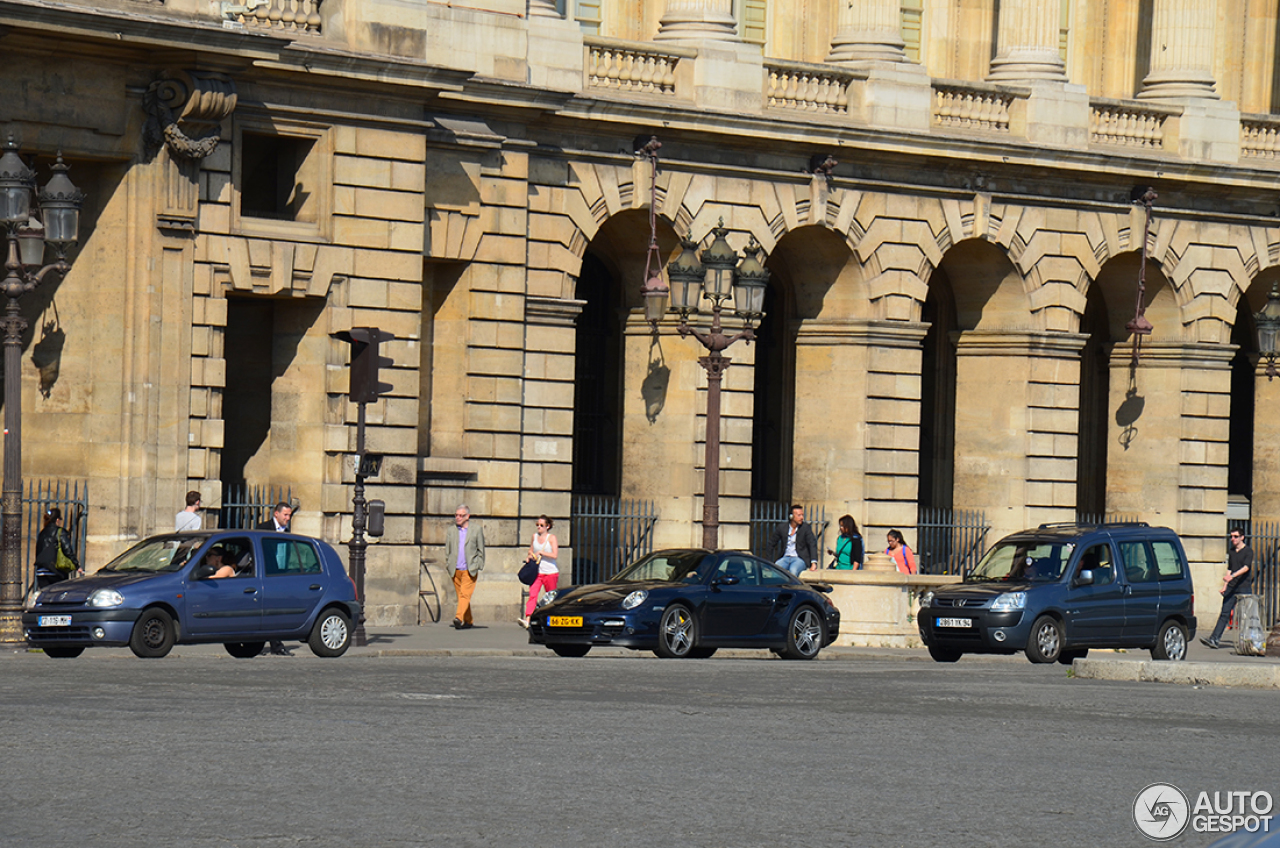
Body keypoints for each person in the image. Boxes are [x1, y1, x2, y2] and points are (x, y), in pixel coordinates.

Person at [1201, 528, 1254, 649]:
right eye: (1231, 536)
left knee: (1244, 615)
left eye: (1235, 536)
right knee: (1224, 613)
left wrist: (1233, 576)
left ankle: (1246, 642)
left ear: (1242, 537)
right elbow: (1230, 568)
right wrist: (1225, 585)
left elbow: (1246, 567)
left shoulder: (1248, 551)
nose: (1233, 539)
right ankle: (1214, 639)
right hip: (1231, 587)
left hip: (1243, 587)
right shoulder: (1231, 552)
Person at [255, 502, 295, 655]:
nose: (288, 518)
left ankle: (275, 644)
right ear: (276, 514)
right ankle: (269, 644)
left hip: (281, 575)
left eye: (289, 515)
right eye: (285, 515)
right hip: (266, 575)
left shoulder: (287, 531)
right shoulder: (263, 528)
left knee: (277, 611)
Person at [444, 504, 485, 629]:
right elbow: (448, 549)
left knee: (465, 595)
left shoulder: (476, 530)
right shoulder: (451, 531)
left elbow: (481, 549)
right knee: (461, 596)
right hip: (455, 569)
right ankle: (469, 620)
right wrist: (448, 563)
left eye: (461, 515)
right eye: (456, 515)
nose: (458, 518)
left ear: (468, 516)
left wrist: (478, 564)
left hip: (469, 569)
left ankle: (458, 618)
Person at [519, 515, 559, 628]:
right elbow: (531, 550)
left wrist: (542, 553)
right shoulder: (534, 537)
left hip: (550, 572)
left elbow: (554, 555)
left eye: (542, 525)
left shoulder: (551, 538)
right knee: (533, 594)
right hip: (538, 572)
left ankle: (552, 619)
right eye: (537, 525)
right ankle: (528, 618)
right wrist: (529, 556)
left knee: (551, 597)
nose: (539, 527)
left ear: (548, 526)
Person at [33, 507, 80, 588]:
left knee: (45, 596)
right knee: (57, 596)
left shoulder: (42, 533)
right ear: (57, 520)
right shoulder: (60, 532)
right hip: (56, 571)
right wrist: (77, 565)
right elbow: (67, 550)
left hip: (41, 571)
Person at [767, 504, 818, 577]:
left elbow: (812, 544)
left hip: (799, 559)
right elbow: (771, 543)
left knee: (793, 571)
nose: (802, 518)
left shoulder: (805, 528)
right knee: (776, 571)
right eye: (799, 515)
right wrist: (769, 562)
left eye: (802, 515)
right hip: (785, 558)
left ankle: (792, 588)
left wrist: (813, 563)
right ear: (791, 516)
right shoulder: (782, 527)